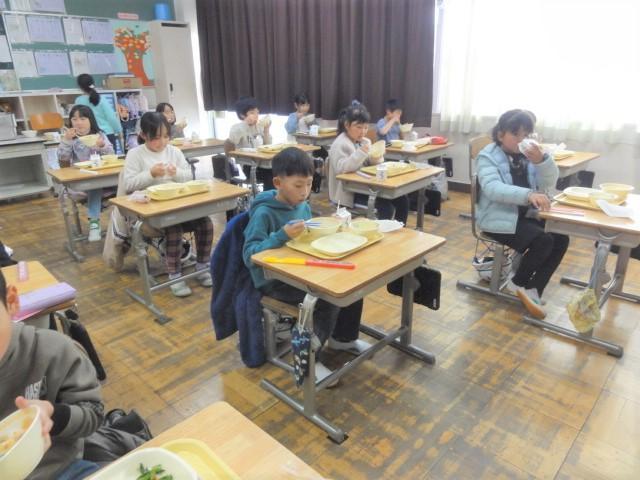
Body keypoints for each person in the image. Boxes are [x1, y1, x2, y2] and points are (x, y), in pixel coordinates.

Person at [242, 147, 369, 380]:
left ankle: (343, 339)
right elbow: (249, 254)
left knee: (351, 285)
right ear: (278, 183)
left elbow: (308, 236)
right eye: (298, 185)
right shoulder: (264, 214)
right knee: (327, 298)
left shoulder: (303, 206)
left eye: (309, 184)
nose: (304, 192)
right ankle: (309, 359)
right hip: (273, 281)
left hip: (301, 270)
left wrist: (331, 227)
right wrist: (281, 235)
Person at [0, 270, 103, 479]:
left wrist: (54, 414)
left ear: (11, 302)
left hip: (60, 469)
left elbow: (93, 413)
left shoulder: (53, 351)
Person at [476, 109, 569, 319]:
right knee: (543, 241)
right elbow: (492, 188)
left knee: (561, 238)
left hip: (524, 216)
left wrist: (542, 161)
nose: (521, 140)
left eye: (525, 135)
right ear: (500, 134)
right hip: (497, 218)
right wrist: (528, 195)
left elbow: (549, 182)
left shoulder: (527, 156)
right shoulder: (487, 157)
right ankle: (518, 283)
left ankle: (533, 289)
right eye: (515, 134)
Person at [122, 112, 213, 297]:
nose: (162, 142)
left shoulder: (174, 151)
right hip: (149, 212)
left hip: (177, 205)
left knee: (205, 223)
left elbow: (188, 176)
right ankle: (175, 276)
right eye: (156, 138)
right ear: (143, 135)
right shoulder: (135, 154)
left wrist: (176, 173)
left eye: (165, 136)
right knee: (173, 228)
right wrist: (150, 174)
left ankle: (203, 267)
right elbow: (128, 184)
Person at [328, 102, 409, 224]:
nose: (363, 131)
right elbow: (342, 168)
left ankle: (399, 230)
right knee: (385, 207)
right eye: (358, 127)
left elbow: (371, 164)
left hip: (366, 187)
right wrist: (361, 152)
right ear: (347, 125)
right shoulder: (340, 144)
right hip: (349, 194)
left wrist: (376, 157)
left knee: (402, 200)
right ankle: (382, 233)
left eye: (365, 127)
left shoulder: (363, 141)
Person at [58, 105, 115, 242]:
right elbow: (62, 159)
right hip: (81, 184)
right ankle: (94, 223)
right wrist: (66, 141)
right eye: (74, 119)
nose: (78, 123)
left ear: (91, 120)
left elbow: (111, 155)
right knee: (94, 184)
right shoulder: (70, 138)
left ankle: (125, 222)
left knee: (125, 183)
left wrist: (102, 146)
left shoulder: (100, 135)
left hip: (106, 181)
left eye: (83, 119)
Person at [224, 96, 274, 191]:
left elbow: (268, 146)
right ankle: (267, 198)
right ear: (242, 115)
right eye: (252, 113)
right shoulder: (237, 128)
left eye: (257, 112)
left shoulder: (259, 127)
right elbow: (229, 149)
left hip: (260, 163)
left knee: (278, 169)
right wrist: (245, 124)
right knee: (270, 173)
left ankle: (273, 196)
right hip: (245, 166)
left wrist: (266, 130)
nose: (256, 115)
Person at [75, 73, 122, 148]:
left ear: (80, 87)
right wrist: (118, 130)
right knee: (110, 155)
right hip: (107, 134)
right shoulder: (101, 99)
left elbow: (78, 121)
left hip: (89, 137)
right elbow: (111, 117)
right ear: (93, 83)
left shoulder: (78, 101)